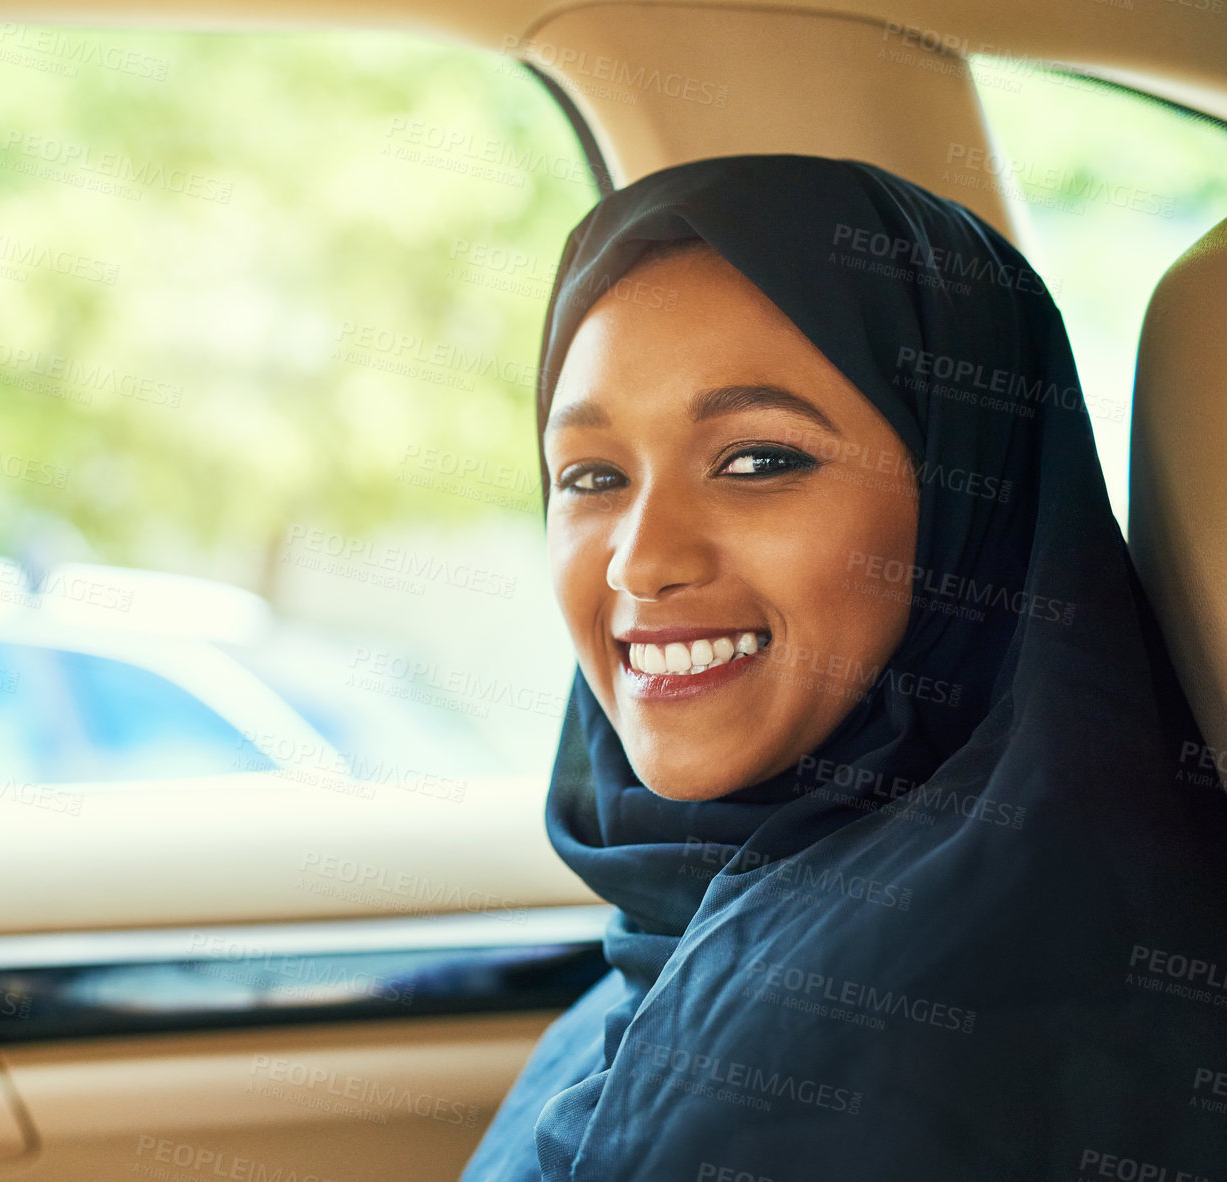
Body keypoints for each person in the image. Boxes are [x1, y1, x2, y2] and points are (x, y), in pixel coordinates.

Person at [459, 154, 1227, 1181]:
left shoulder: (929, 1025)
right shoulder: (684, 924)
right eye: (591, 477)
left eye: (758, 460)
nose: (642, 561)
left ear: (969, 505)